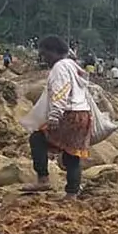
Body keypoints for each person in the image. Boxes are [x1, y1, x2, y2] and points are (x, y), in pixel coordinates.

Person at [22, 36, 92, 196]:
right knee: (72, 153)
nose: (44, 59)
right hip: (83, 114)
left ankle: (43, 180)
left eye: (45, 54)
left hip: (69, 114)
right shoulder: (74, 66)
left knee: (37, 138)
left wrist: (55, 115)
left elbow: (61, 90)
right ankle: (72, 193)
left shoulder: (59, 67)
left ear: (54, 51)